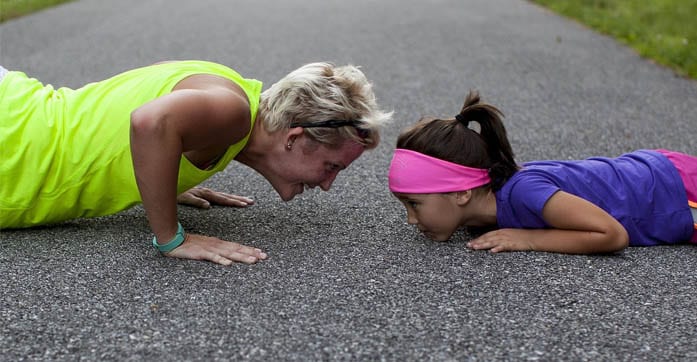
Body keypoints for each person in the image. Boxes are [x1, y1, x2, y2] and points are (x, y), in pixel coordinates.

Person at [0, 60, 392, 265]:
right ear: (295, 138)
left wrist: (162, 176)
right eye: (332, 166)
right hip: (12, 144)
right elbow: (149, 121)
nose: (328, 184)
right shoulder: (233, 112)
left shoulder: (231, 94)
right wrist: (172, 238)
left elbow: (128, 106)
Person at [388, 90, 697, 254]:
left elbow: (612, 234)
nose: (411, 219)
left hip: (676, 191)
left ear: (461, 192)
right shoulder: (484, 211)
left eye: (414, 204)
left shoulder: (523, 192)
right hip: (662, 175)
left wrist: (529, 239)